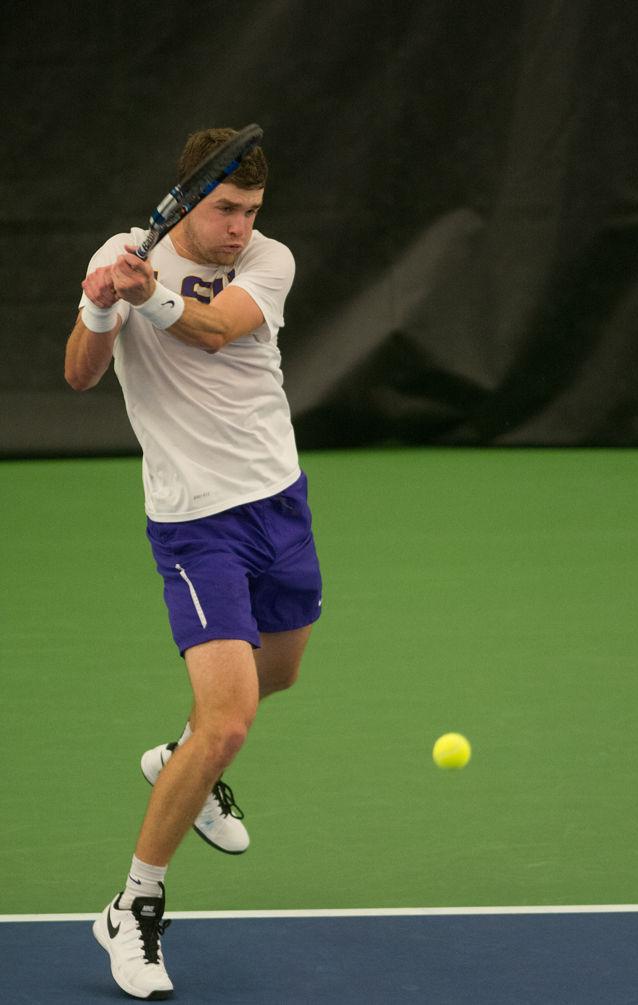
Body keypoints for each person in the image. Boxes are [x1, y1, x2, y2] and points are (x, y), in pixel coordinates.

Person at [65, 127, 322, 1000]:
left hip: (277, 501)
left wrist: (155, 299)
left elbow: (216, 330)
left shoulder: (270, 263)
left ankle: (180, 756)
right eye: (224, 212)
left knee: (277, 675)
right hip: (194, 523)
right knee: (231, 722)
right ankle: (132, 907)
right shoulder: (121, 254)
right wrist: (107, 304)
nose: (240, 229)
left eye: (251, 211)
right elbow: (79, 372)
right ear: (186, 200)